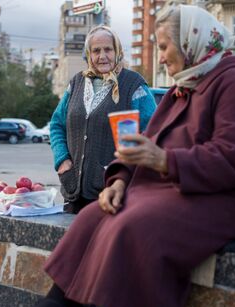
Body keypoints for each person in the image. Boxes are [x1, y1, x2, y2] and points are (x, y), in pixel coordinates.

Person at [0, 6, 235, 307]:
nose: (161, 56)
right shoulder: (185, 86)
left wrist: (166, 162)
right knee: (94, 215)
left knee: (135, 222)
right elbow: (142, 143)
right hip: (196, 187)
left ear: (191, 42)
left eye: (165, 46)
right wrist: (119, 180)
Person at [49, 25, 157, 214]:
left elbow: (152, 132)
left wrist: (123, 173)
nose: (102, 56)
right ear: (89, 55)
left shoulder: (133, 85)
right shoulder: (76, 83)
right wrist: (62, 161)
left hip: (114, 194)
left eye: (108, 49)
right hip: (73, 191)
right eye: (96, 51)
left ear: (117, 51)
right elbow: (57, 124)